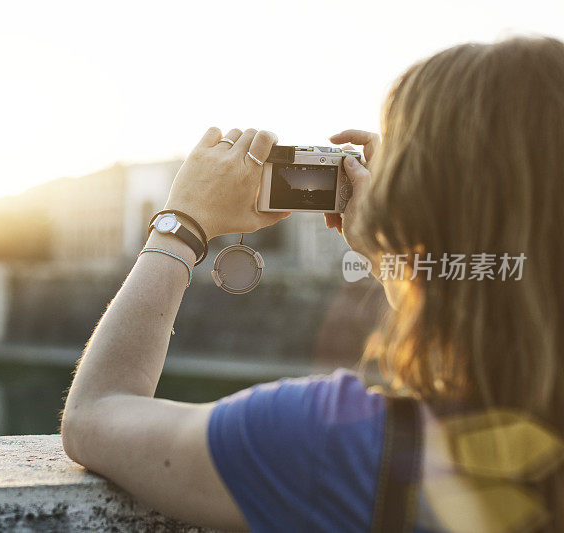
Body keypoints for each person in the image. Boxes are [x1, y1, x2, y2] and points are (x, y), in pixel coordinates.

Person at [60, 36, 564, 531]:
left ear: (412, 204)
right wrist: (392, 246)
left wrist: (181, 223)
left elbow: (95, 414)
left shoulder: (338, 445)